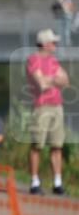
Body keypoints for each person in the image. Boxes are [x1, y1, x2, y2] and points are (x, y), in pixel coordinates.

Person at [27, 29, 69, 195]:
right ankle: (34, 181)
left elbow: (65, 80)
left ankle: (57, 182)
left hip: (57, 105)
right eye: (53, 42)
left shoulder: (53, 61)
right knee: (37, 145)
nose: (55, 45)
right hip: (41, 106)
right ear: (44, 43)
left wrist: (48, 79)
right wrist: (54, 80)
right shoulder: (33, 59)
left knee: (57, 145)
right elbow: (41, 84)